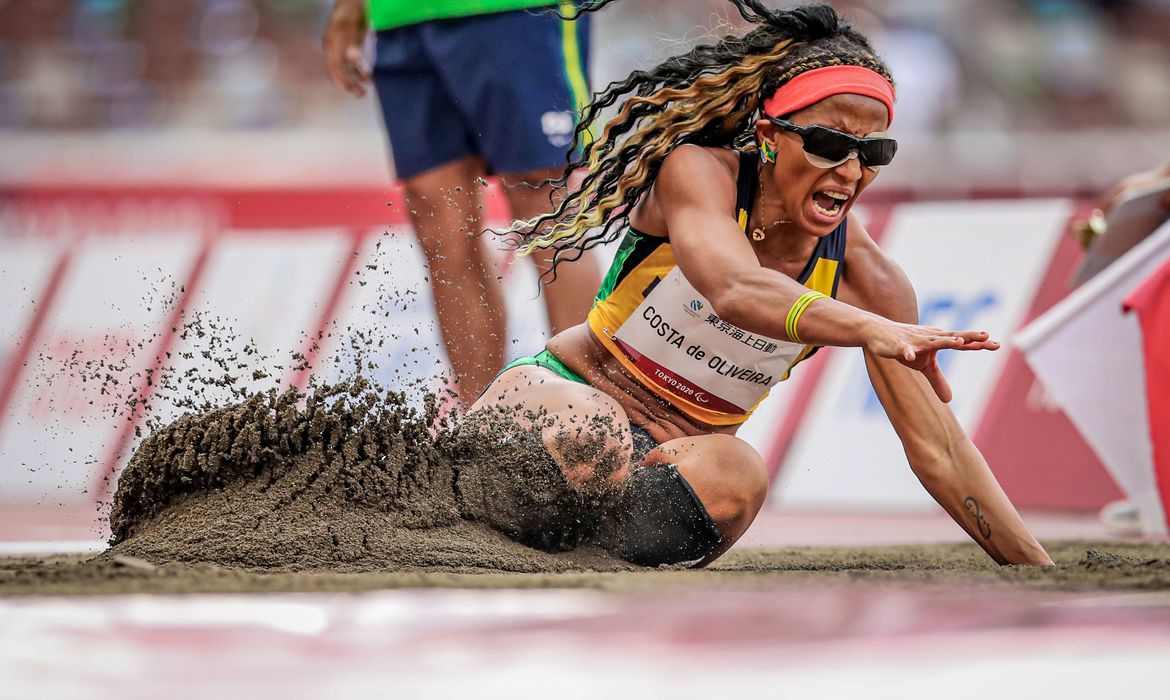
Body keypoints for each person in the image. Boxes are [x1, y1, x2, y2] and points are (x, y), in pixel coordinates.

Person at [471, 1, 1054, 568]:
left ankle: (590, 557)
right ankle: (456, 504)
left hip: (672, 456)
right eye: (829, 145)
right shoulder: (699, 172)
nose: (850, 172)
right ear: (771, 134)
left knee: (741, 478)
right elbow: (735, 288)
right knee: (592, 437)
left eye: (873, 152)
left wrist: (1034, 566)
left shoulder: (869, 282)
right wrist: (870, 329)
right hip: (562, 394)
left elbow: (941, 450)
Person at [323, 0, 601, 401]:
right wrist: (350, 8)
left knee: (544, 205)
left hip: (517, 11)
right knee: (440, 222)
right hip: (401, 16)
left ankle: (591, 422)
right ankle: (481, 427)